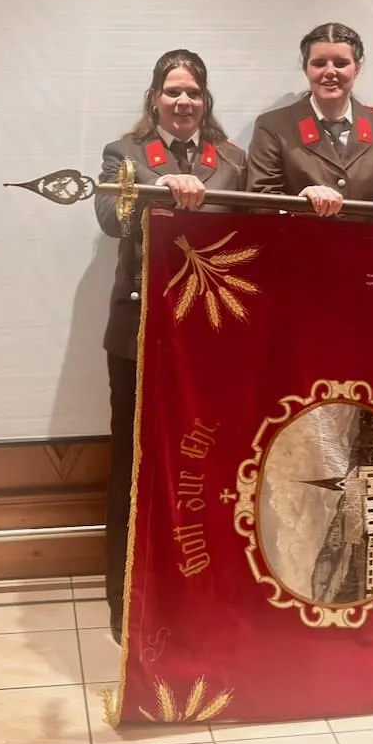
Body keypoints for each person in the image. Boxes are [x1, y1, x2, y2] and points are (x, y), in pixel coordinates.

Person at [94, 49, 247, 643]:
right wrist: (157, 188)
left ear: (206, 101)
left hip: (212, 335)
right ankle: (125, 603)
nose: (183, 102)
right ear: (154, 98)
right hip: (139, 334)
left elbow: (253, 233)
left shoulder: (232, 159)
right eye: (173, 91)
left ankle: (203, 595)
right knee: (134, 468)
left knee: (209, 468)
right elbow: (110, 217)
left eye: (193, 93)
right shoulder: (124, 154)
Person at [246, 22, 373, 214]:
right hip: (297, 233)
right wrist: (299, 203)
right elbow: (260, 206)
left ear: (357, 68)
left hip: (366, 235)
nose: (330, 72)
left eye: (341, 64)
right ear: (305, 68)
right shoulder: (273, 126)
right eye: (319, 64)